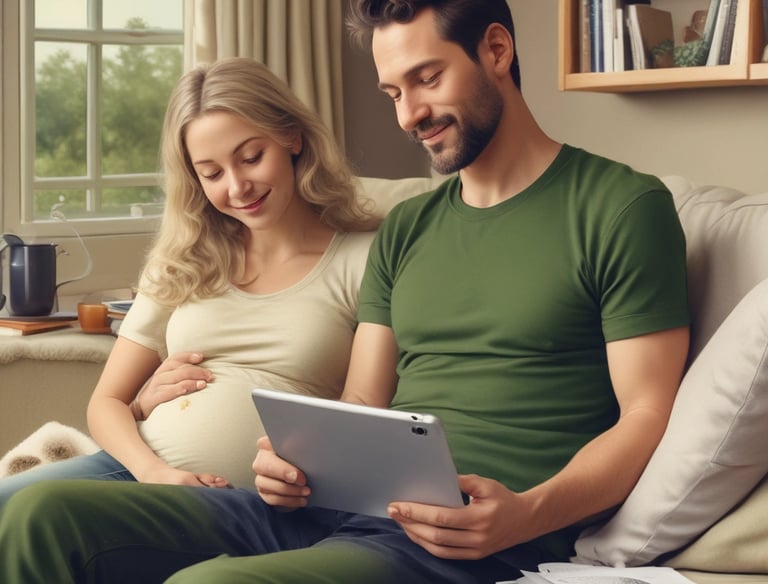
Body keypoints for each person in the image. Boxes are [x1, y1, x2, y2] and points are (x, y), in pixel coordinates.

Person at [0, 2, 691, 582]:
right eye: (394, 92)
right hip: (332, 508)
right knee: (39, 516)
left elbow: (645, 415)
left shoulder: (622, 208)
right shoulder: (409, 227)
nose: (409, 114)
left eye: (427, 79)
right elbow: (361, 403)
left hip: (467, 533)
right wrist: (289, 461)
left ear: (498, 50)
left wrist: (530, 512)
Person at [0, 56, 377, 505]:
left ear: (292, 137)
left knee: (36, 511)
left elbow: (367, 412)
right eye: (212, 173)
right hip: (135, 468)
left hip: (250, 502)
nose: (237, 187)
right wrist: (152, 469)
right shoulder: (184, 259)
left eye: (251, 157)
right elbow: (107, 403)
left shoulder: (366, 256)